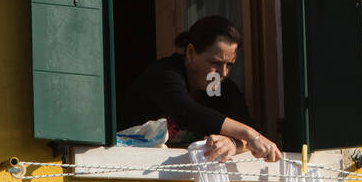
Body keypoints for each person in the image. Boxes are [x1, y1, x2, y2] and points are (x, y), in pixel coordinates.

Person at [120, 15, 282, 163]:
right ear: (190, 53)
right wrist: (247, 133)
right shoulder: (165, 73)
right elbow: (187, 113)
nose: (223, 73)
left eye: (229, 65)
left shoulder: (222, 88)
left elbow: (253, 139)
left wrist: (233, 142)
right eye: (215, 63)